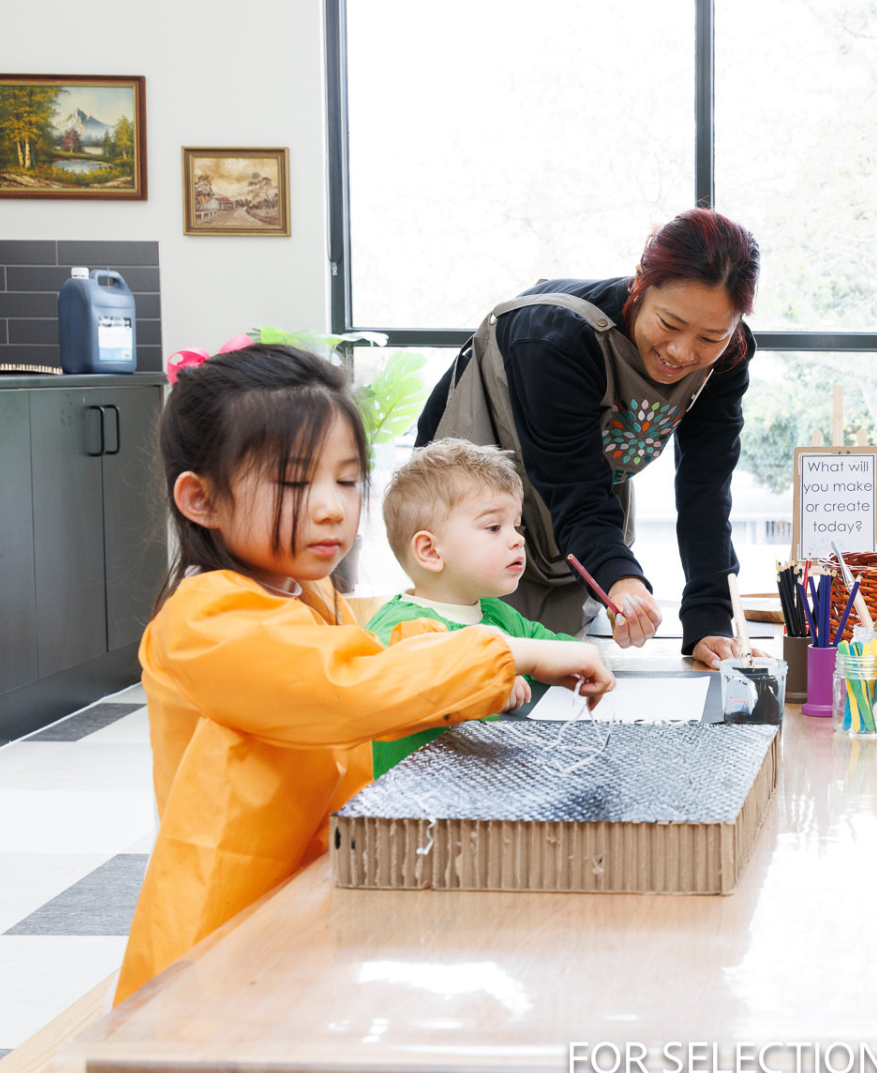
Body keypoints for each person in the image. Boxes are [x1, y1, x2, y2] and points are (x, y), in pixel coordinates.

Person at [116, 345, 613, 1004]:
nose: (330, 508)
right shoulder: (204, 620)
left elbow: (377, 658)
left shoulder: (305, 594)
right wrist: (507, 652)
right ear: (201, 499)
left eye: (347, 481)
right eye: (295, 483)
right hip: (219, 934)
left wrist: (466, 663)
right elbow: (345, 685)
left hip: (302, 896)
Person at [415, 208, 760, 669]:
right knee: (475, 656)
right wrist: (622, 579)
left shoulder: (728, 356)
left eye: (711, 336)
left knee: (555, 658)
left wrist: (710, 619)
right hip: (472, 495)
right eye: (670, 325)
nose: (683, 352)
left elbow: (706, 487)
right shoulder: (557, 338)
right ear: (641, 281)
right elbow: (575, 489)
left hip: (568, 511)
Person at [364, 439, 584, 775]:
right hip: (411, 811)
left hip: (485, 788)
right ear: (431, 552)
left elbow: (553, 650)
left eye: (517, 525)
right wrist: (484, 677)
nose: (518, 539)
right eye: (494, 527)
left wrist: (587, 661)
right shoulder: (396, 628)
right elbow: (415, 677)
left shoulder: (497, 614)